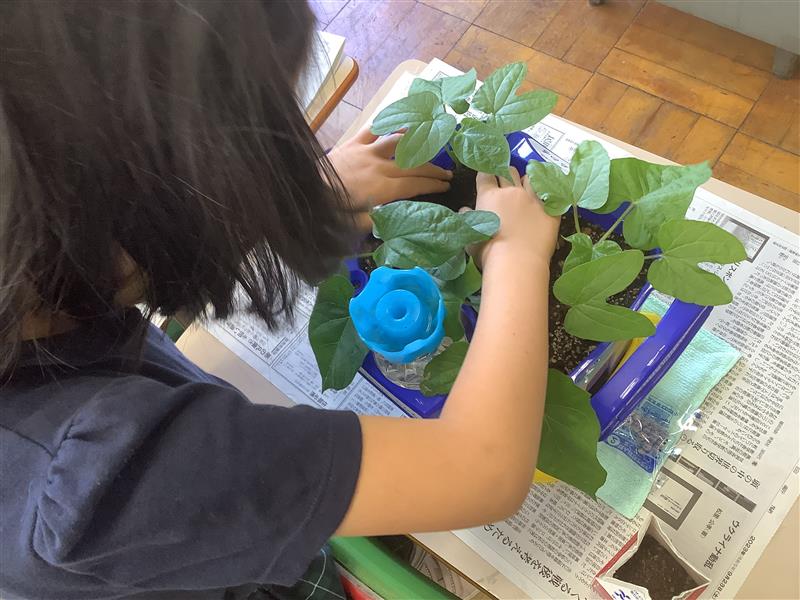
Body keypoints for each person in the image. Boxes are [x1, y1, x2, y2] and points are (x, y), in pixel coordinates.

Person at [0, 2, 559, 599]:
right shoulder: (107, 478)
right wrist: (516, 256)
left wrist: (309, 194)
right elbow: (482, 470)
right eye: (246, 161)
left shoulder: (37, 282)